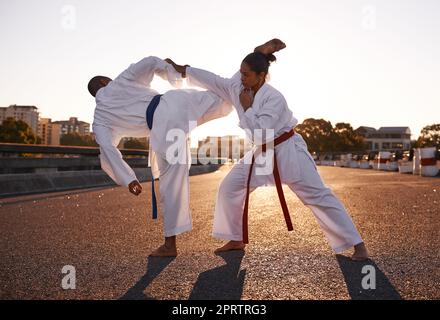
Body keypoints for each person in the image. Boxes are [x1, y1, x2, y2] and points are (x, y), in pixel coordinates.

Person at [166, 39, 369, 261]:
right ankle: (236, 238)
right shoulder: (237, 87)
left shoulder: (274, 98)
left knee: (319, 196)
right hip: (261, 154)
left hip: (288, 151)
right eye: (240, 72)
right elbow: (212, 79)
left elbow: (261, 133)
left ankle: (358, 246)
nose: (240, 78)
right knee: (230, 186)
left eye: (246, 74)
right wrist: (183, 70)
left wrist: (247, 107)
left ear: (261, 76)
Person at [89, 56, 233, 257]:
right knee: (225, 97)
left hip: (164, 132)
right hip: (175, 102)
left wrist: (128, 178)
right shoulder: (120, 82)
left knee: (172, 187)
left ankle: (170, 245)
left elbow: (106, 147)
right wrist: (171, 71)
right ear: (105, 82)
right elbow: (149, 62)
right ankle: (253, 78)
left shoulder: (100, 118)